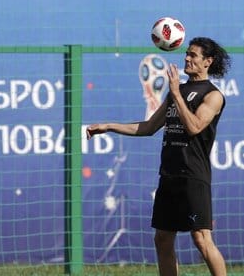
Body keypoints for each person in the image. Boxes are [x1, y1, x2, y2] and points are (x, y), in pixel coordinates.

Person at [86, 37, 231, 276]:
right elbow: (149, 127)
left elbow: (194, 126)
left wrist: (175, 92)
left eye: (193, 55)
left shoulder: (213, 96)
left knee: (202, 239)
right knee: (163, 239)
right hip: (169, 175)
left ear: (208, 62)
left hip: (193, 176)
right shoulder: (179, 91)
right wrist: (109, 126)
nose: (187, 58)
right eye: (187, 53)